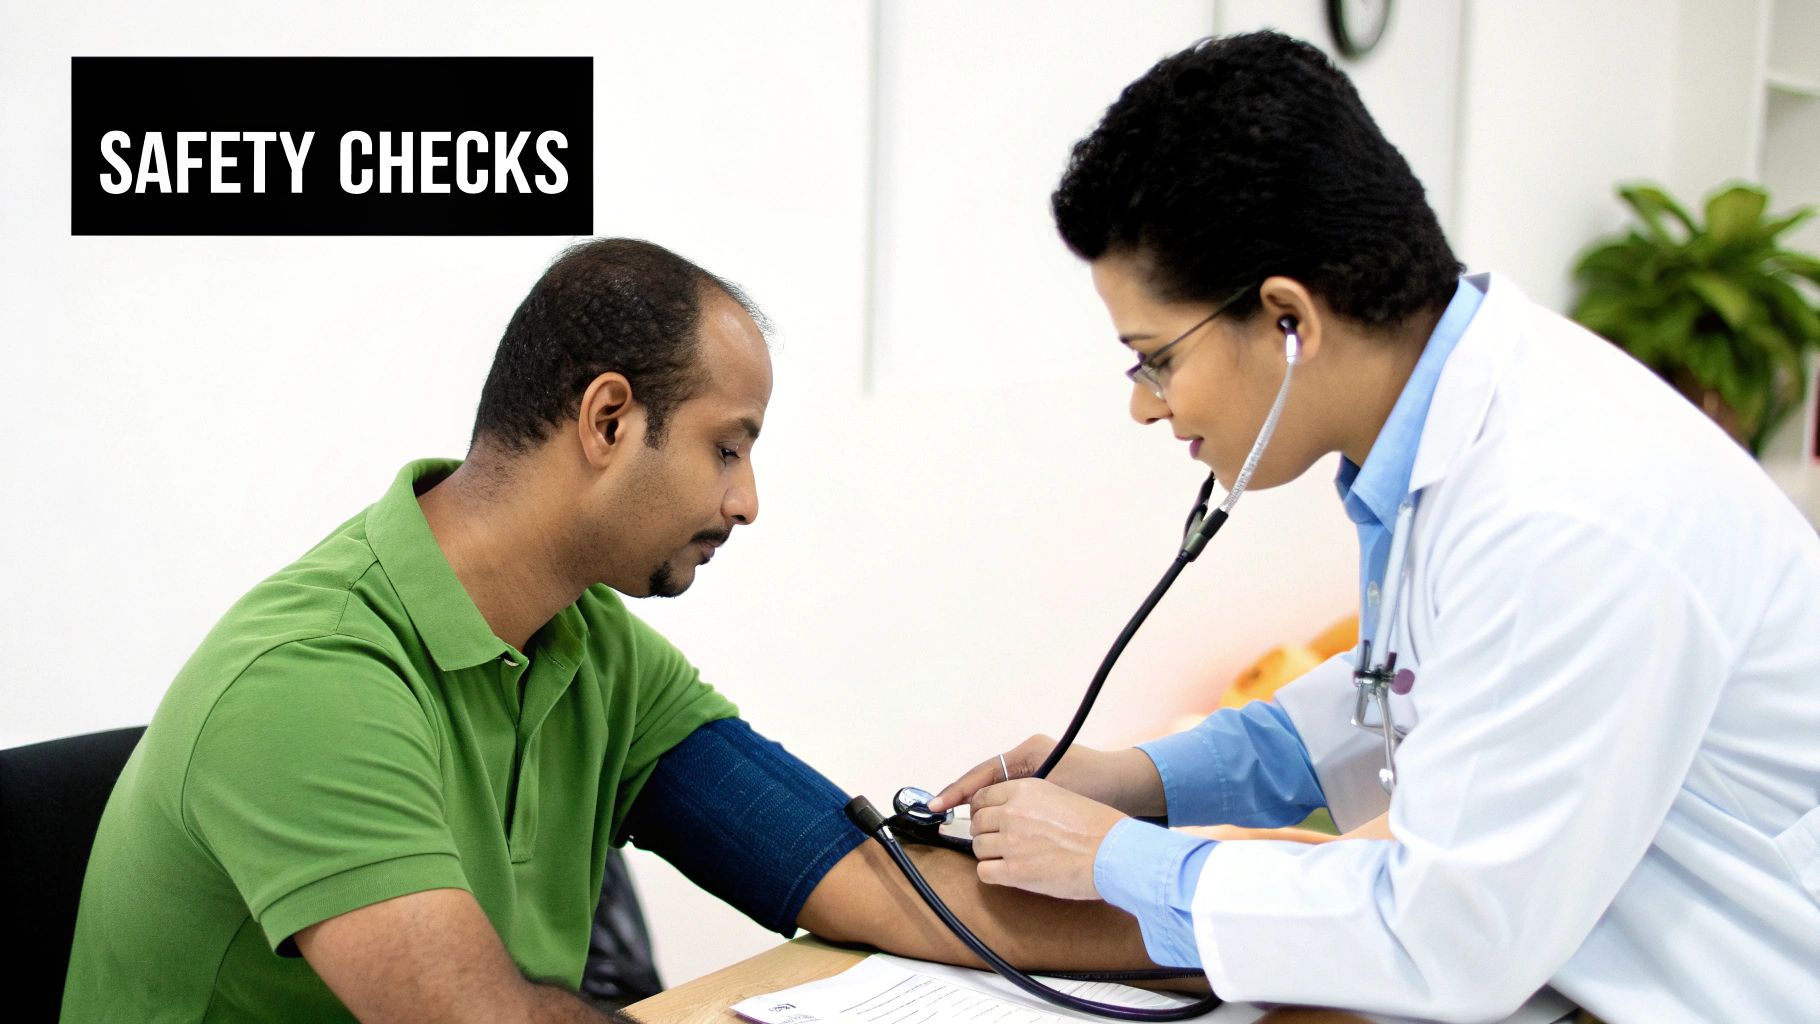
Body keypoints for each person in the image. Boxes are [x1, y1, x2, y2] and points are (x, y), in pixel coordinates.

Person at [925, 31, 1820, 1023]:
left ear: (1287, 321)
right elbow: (1393, 691)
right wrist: (1134, 778)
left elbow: (1444, 942)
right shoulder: (1458, 428)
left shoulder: (1562, 510)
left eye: (1154, 358)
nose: (1144, 405)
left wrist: (1113, 858)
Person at [61, 239, 1159, 1024]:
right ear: (607, 420)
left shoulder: (589, 646)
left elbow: (867, 879)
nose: (747, 501)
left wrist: (1220, 926)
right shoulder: (308, 678)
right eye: (727, 447)